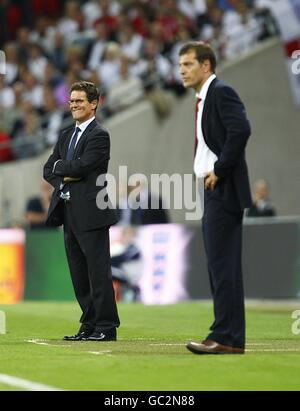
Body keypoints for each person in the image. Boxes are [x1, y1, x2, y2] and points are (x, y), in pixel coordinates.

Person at [179, 41, 252, 354]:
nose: (182, 70)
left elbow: (241, 130)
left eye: (188, 64)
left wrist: (220, 170)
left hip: (222, 187)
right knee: (223, 267)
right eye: (181, 65)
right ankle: (230, 338)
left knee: (222, 266)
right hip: (213, 187)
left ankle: (223, 335)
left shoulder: (220, 92)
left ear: (206, 65)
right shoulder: (204, 97)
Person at [43, 80, 120, 341]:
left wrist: (63, 169)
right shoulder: (66, 135)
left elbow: (84, 166)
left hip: (92, 213)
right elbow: (48, 168)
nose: (74, 105)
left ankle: (106, 326)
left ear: (94, 103)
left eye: (80, 101)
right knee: (79, 275)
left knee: (97, 273)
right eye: (72, 101)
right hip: (68, 210)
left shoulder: (99, 135)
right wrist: (65, 174)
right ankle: (89, 323)